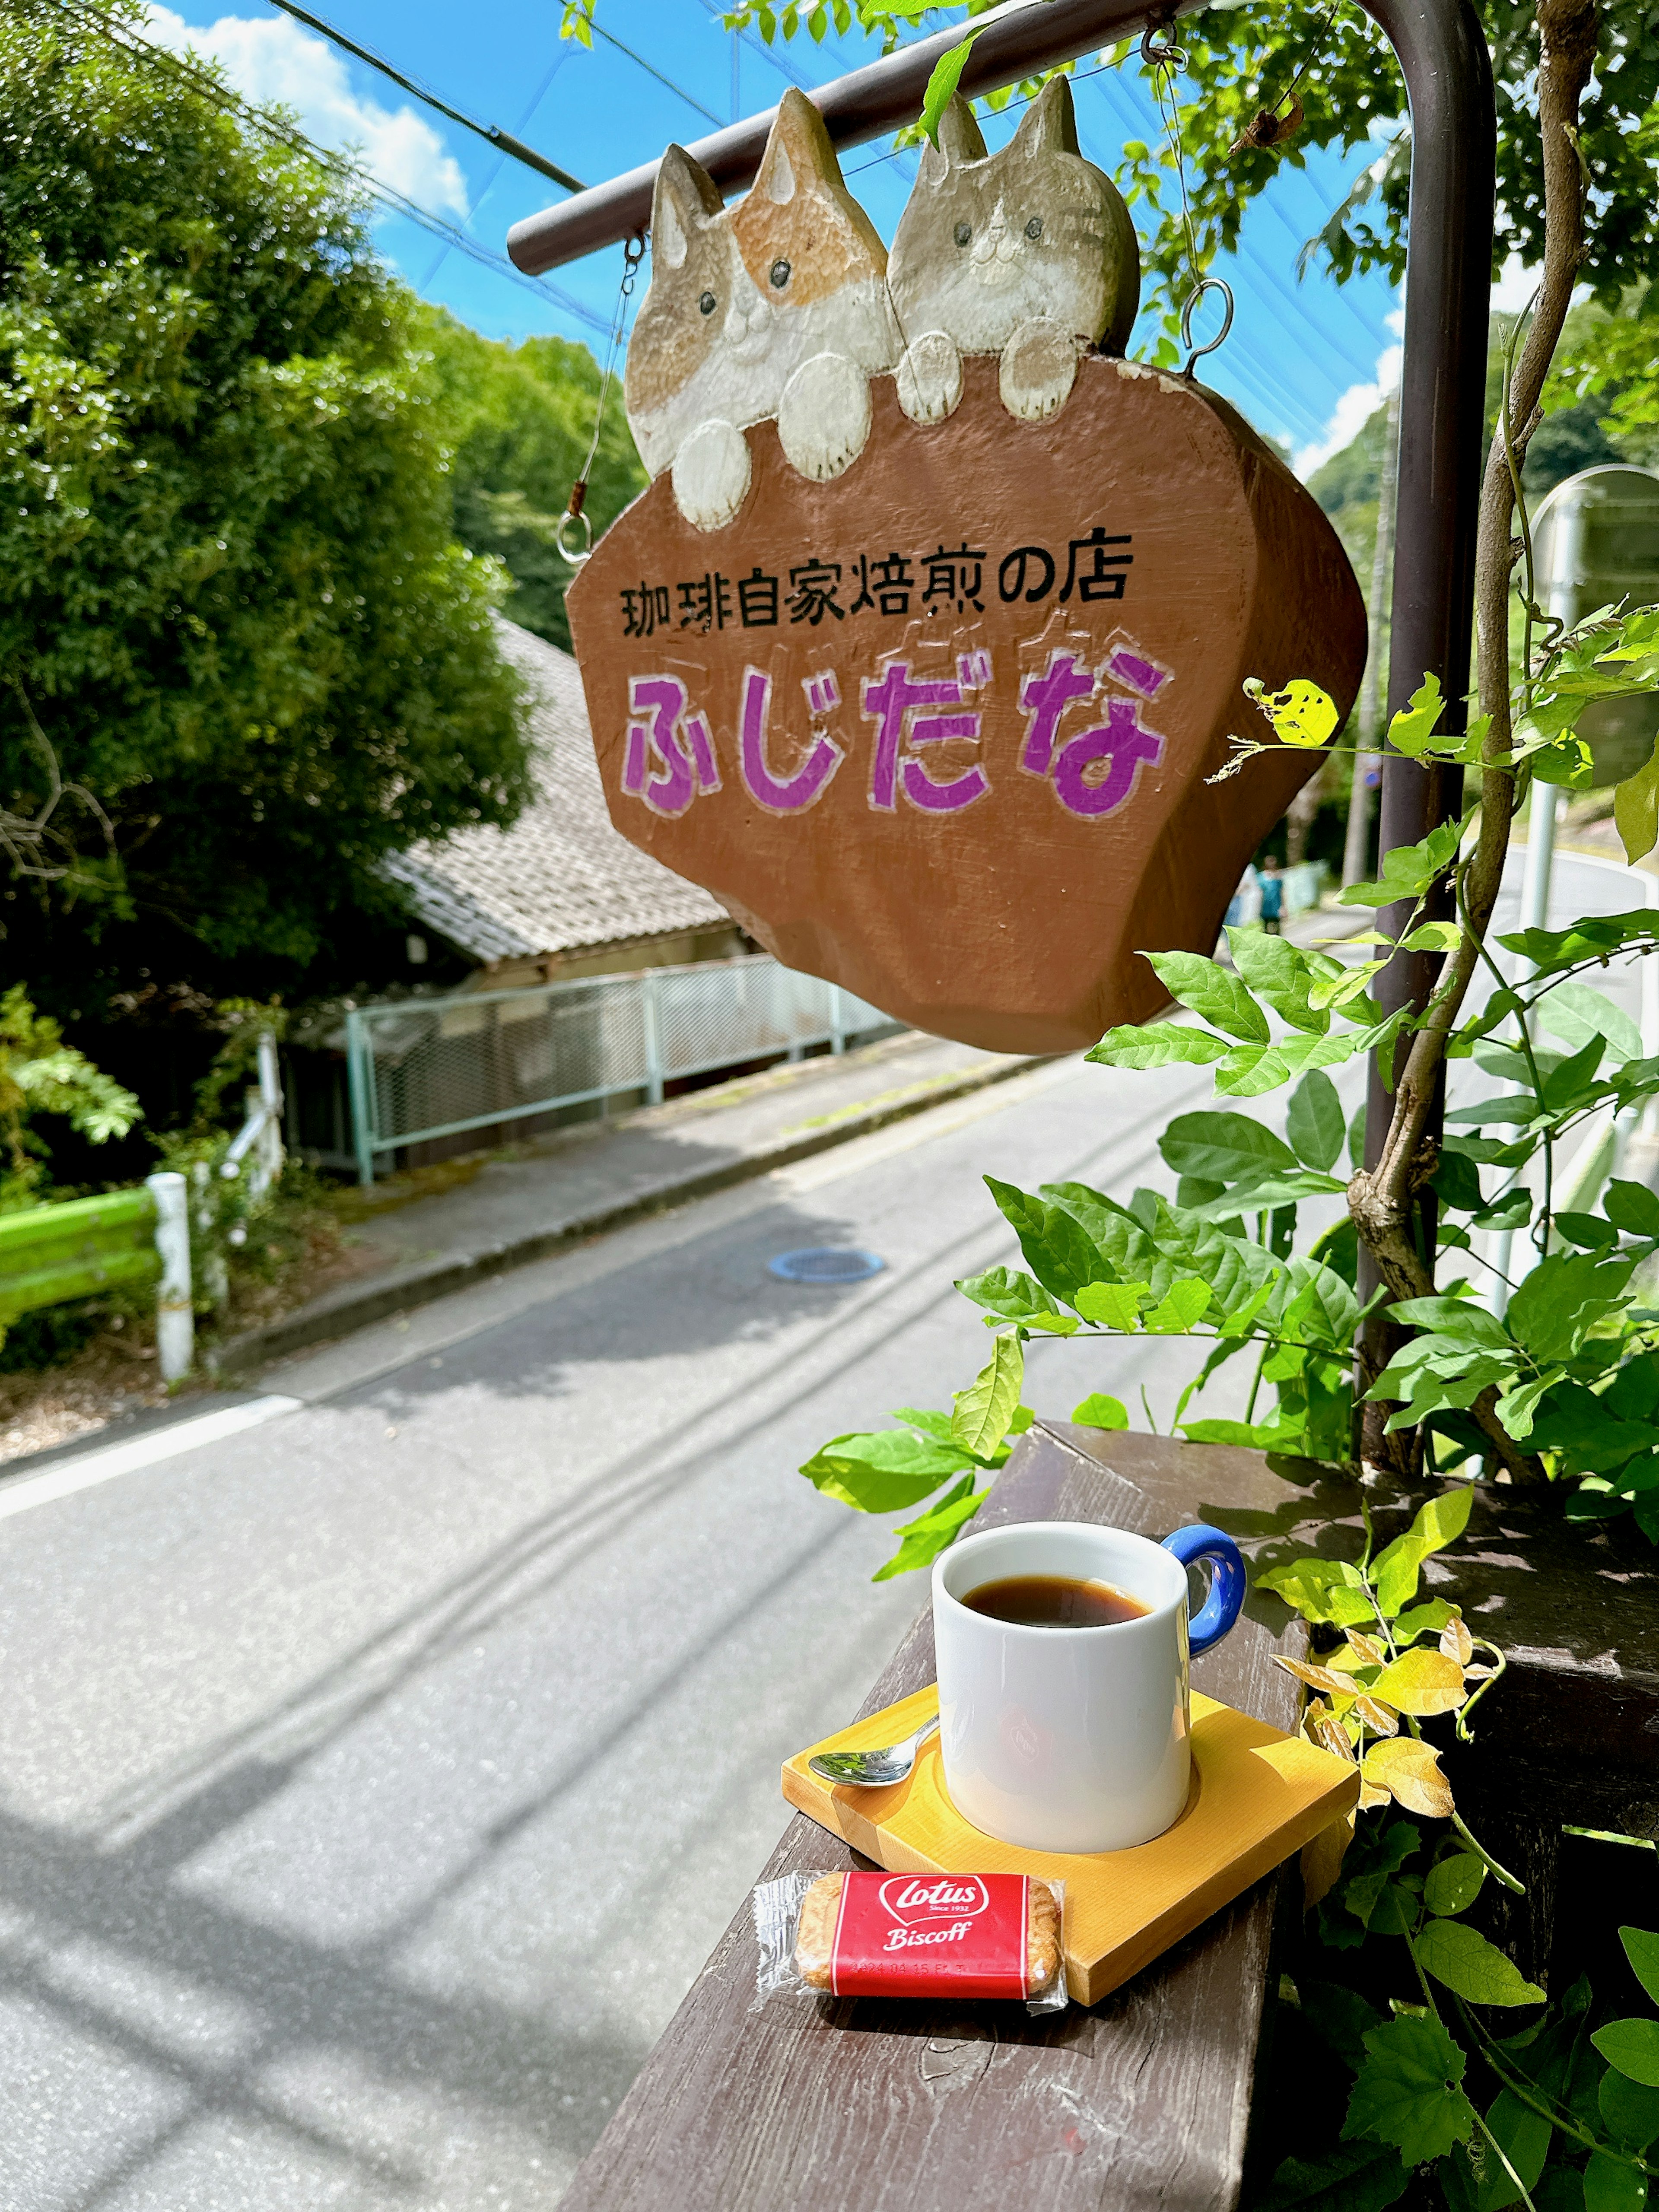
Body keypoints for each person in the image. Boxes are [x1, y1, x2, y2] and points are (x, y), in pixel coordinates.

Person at [1259, 859, 1284, 935]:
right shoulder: (1261, 877)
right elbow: (1260, 893)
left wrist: (1283, 906)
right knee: (1266, 927)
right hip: (1266, 906)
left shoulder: (1278, 877)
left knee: (1276, 926)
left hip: (1276, 906)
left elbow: (1282, 892)